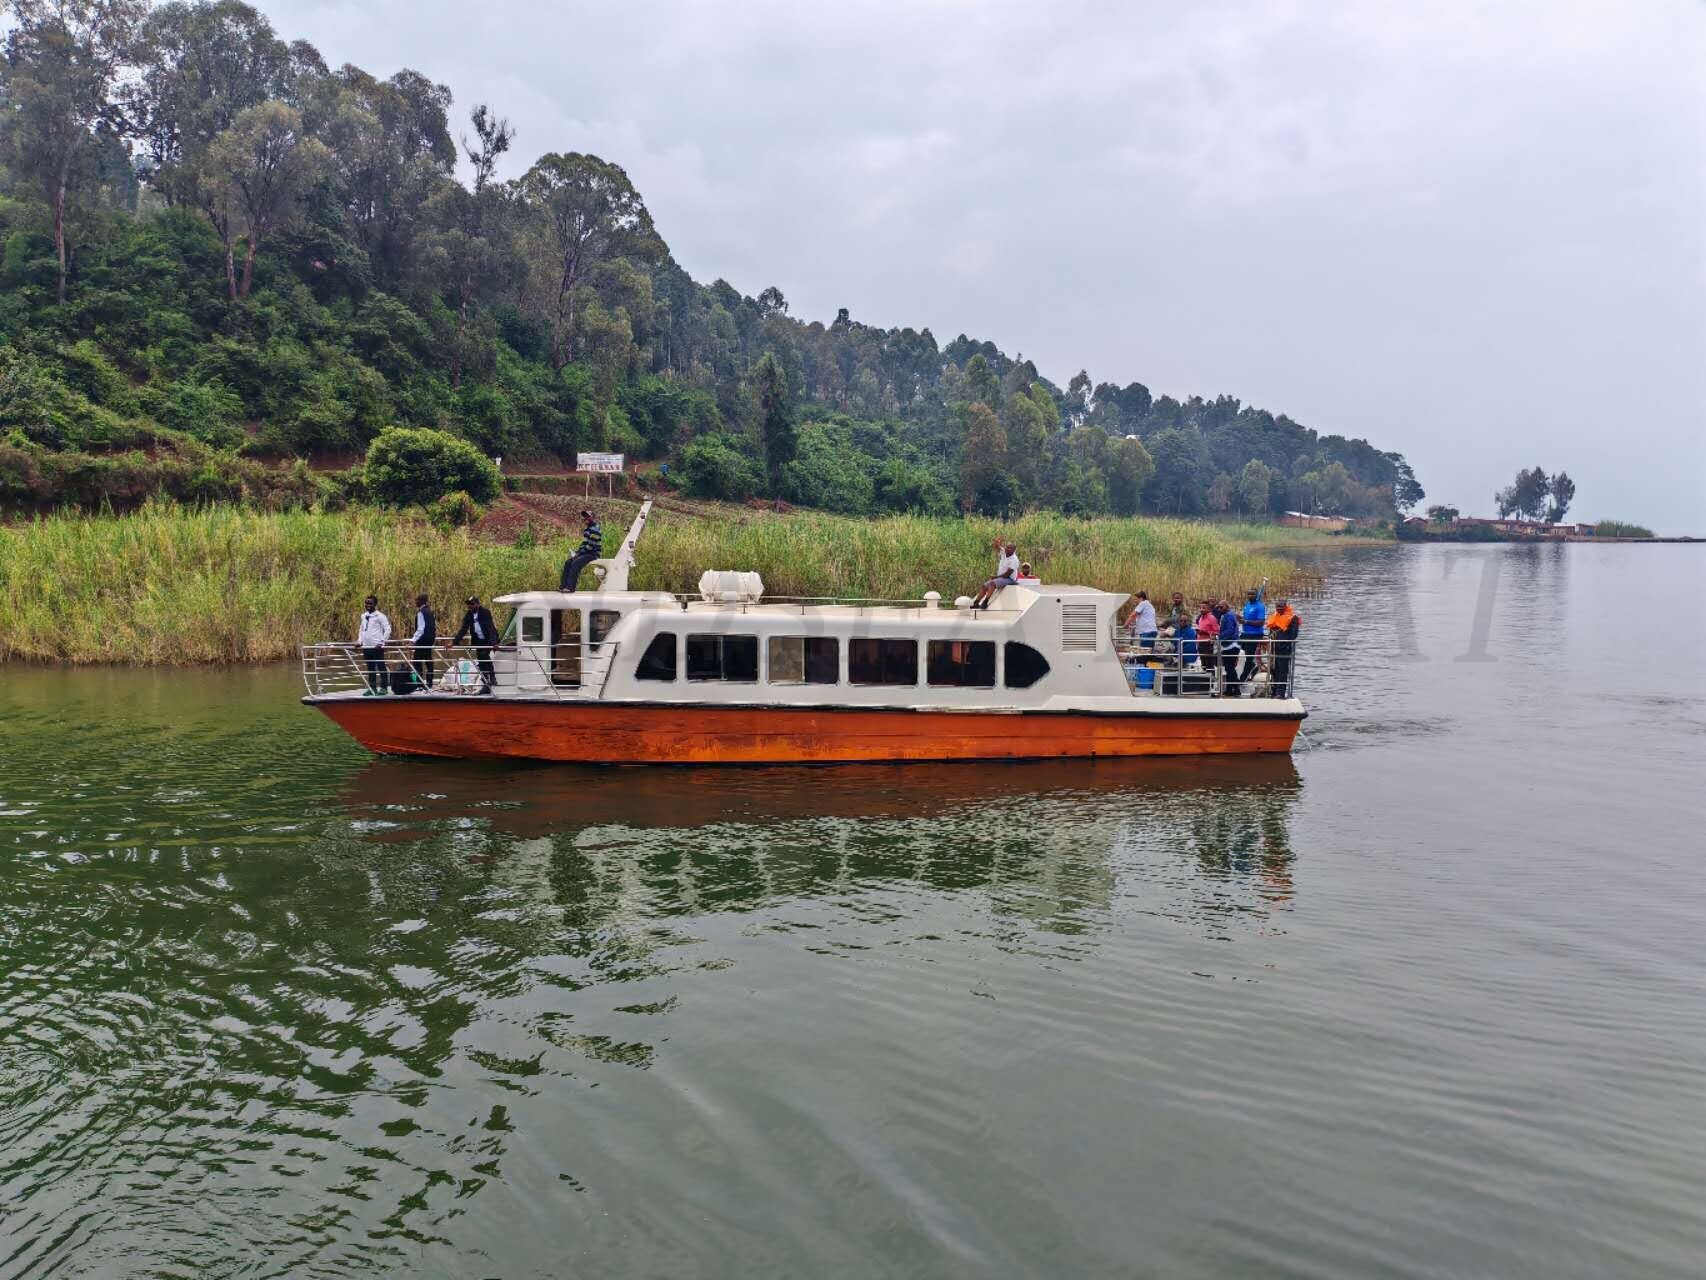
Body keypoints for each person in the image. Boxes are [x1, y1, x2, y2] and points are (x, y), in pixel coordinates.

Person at [454, 594, 498, 692]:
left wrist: (494, 643)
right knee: (480, 658)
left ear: (477, 604)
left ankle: (492, 677)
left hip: (488, 639)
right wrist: (454, 642)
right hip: (479, 640)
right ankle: (485, 680)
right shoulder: (468, 615)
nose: (470, 606)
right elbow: (463, 629)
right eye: (468, 604)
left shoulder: (485, 612)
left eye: (472, 604)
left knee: (484, 655)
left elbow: (490, 628)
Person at [1266, 596, 1300, 697]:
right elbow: (1271, 632)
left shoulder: (1293, 618)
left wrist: (1285, 643)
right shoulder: (1274, 616)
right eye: (1277, 607)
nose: (1279, 608)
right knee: (1273, 669)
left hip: (1284, 648)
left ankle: (1280, 692)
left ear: (1285, 607)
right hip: (1273, 648)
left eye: (1281, 607)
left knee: (1282, 670)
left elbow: (1293, 635)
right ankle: (1273, 690)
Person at [560, 510, 602, 592]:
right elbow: (585, 543)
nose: (585, 518)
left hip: (593, 554)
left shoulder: (595, 529)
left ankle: (570, 588)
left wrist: (579, 554)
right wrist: (577, 552)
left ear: (592, 518)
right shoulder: (587, 529)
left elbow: (591, 546)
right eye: (584, 517)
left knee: (576, 563)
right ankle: (563, 586)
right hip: (586, 553)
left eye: (587, 516)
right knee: (568, 562)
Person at [1238, 578, 1269, 688]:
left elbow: (1261, 622)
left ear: (1256, 595)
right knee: (1239, 653)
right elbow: (1245, 619)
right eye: (1249, 594)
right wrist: (1239, 619)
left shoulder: (1260, 606)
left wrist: (1246, 621)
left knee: (1248, 657)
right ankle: (1252, 667)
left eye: (1252, 594)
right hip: (1245, 633)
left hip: (1255, 634)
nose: (1250, 596)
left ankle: (1243, 677)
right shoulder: (1247, 605)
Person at [357, 595, 391, 695]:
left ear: (375, 604)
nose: (368, 605)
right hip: (366, 646)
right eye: (366, 603)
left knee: (381, 667)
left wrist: (382, 642)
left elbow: (388, 629)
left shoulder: (380, 616)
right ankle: (372, 688)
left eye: (370, 603)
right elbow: (361, 630)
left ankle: (384, 688)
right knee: (370, 668)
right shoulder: (364, 616)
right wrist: (360, 641)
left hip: (377, 646)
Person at [972, 539, 1020, 608]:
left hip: (1009, 579)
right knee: (984, 586)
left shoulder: (1014, 560)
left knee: (992, 583)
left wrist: (995, 577)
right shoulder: (1004, 552)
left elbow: (1007, 574)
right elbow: (996, 547)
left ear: (1014, 550)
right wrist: (996, 542)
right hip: (1001, 578)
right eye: (1007, 547)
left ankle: (985, 602)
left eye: (1010, 548)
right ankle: (976, 603)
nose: (1007, 549)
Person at [1214, 600, 1242, 695]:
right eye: (1218, 607)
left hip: (1231, 645)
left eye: (1221, 607)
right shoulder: (1228, 615)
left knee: (1229, 668)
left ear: (1227, 607)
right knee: (1229, 668)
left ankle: (1234, 688)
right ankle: (1232, 689)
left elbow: (1230, 631)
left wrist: (1218, 636)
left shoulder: (1228, 616)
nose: (1219, 609)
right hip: (1229, 645)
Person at [409, 593, 436, 687]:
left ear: (422, 601)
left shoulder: (421, 612)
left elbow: (421, 628)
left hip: (422, 641)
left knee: (416, 662)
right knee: (429, 662)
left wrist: (413, 640)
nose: (416, 602)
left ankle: (419, 683)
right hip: (429, 641)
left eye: (417, 600)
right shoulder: (429, 611)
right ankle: (429, 683)